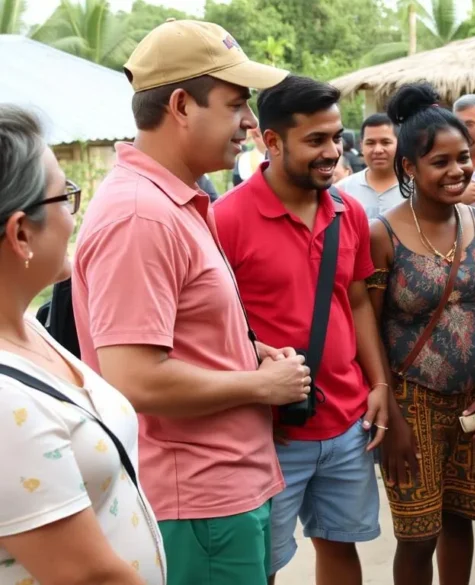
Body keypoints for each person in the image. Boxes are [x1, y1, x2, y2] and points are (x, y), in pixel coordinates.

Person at [72, 20, 309, 585]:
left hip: (222, 489)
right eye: (236, 105)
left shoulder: (176, 200)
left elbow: (182, 334)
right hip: (196, 499)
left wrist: (251, 352)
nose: (250, 122)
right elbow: (134, 377)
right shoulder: (141, 215)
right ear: (181, 105)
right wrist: (260, 386)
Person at [214, 76, 392, 585]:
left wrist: (378, 384)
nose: (332, 152)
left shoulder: (348, 211)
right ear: (270, 142)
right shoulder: (225, 220)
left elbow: (356, 301)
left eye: (336, 138)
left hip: (345, 422)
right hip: (270, 430)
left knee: (340, 547)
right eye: (315, 141)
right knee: (260, 563)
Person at [0, 105, 164, 585]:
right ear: (21, 232)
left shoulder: (28, 325)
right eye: (65, 197)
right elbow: (88, 576)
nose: (75, 217)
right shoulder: (5, 403)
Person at [367, 83, 475, 585]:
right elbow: (369, 325)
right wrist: (391, 413)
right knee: (416, 534)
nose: (457, 172)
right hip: (413, 403)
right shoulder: (381, 235)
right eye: (440, 162)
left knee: (459, 519)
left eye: (463, 159)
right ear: (409, 167)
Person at [339, 114, 403, 222]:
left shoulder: (416, 189)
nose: (378, 150)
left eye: (385, 142)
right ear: (361, 146)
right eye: (370, 143)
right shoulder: (342, 190)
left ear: (400, 144)